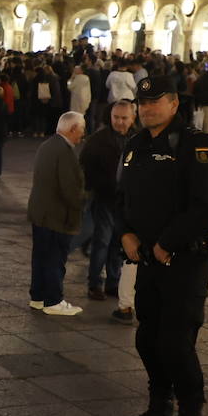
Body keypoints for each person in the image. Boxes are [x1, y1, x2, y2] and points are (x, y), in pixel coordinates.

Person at [115, 76, 208, 416]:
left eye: (156, 102)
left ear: (174, 104)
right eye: (143, 103)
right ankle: (159, 409)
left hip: (185, 260)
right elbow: (121, 197)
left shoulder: (196, 144)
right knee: (148, 338)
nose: (147, 109)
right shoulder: (136, 145)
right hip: (148, 258)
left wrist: (168, 241)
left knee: (177, 342)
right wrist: (125, 233)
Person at [27, 111, 87, 316]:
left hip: (40, 213)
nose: (82, 135)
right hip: (56, 215)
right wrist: (83, 202)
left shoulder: (48, 145)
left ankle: (38, 297)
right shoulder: (65, 152)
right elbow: (70, 189)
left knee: (41, 257)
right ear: (72, 129)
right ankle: (53, 300)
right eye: (81, 129)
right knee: (55, 258)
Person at [79, 100, 135, 301]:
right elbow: (85, 166)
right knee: (102, 241)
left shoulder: (136, 139)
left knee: (118, 243)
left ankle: (113, 281)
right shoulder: (98, 139)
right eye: (116, 118)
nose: (119, 122)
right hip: (104, 199)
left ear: (132, 118)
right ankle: (94, 283)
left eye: (124, 118)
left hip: (126, 202)